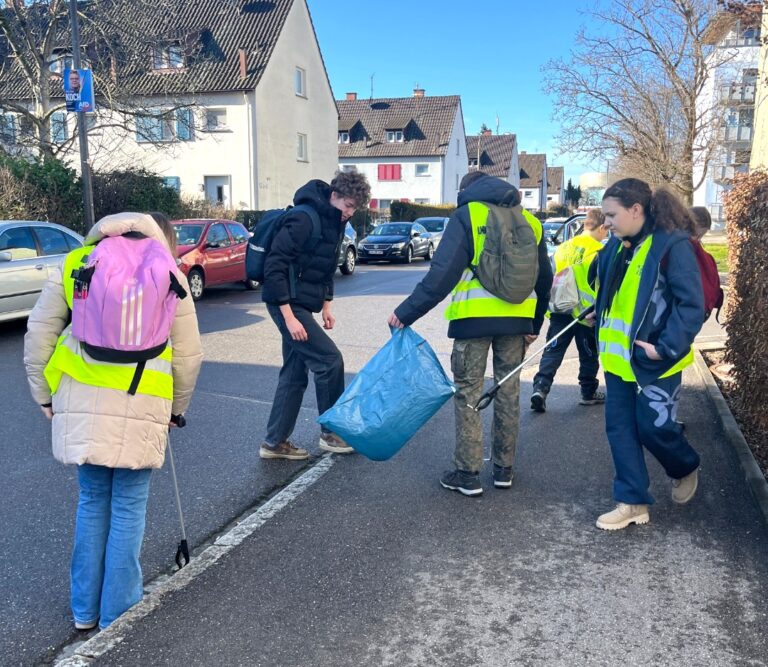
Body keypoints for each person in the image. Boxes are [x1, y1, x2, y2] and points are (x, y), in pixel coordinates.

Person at [23, 212, 203, 631]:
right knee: (127, 507)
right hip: (142, 405)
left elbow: (39, 332)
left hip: (82, 401)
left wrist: (43, 394)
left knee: (91, 502)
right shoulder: (170, 273)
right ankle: (118, 613)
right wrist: (177, 410)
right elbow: (189, 355)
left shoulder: (78, 263)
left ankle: (84, 610)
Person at [388, 171, 553, 496]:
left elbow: (442, 275)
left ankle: (468, 474)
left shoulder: (467, 216)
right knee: (507, 393)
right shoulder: (530, 222)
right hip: (517, 323)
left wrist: (406, 313)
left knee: (469, 395)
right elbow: (544, 278)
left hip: (472, 321)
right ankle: (504, 470)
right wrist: (534, 323)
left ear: (468, 191)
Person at [594, 178, 704, 530]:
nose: (605, 222)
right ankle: (632, 502)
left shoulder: (673, 246)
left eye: (611, 215)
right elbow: (614, 290)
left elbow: (691, 305)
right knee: (621, 431)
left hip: (656, 361)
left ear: (636, 210)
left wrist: (666, 348)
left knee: (655, 428)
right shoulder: (617, 246)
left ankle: (685, 465)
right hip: (617, 362)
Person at [260, 170, 371, 460]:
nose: (349, 213)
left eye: (354, 209)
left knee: (295, 373)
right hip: (286, 304)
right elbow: (274, 265)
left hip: (301, 304)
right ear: (333, 196)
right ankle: (331, 433)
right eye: (347, 205)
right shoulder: (304, 218)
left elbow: (325, 266)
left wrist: (327, 305)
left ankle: (274, 443)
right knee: (329, 360)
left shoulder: (333, 221)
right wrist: (289, 316)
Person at [530, 208, 608, 412]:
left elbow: (551, 276)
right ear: (601, 227)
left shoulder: (563, 247)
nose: (607, 233)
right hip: (585, 314)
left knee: (553, 351)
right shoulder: (599, 251)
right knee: (589, 355)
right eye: (606, 229)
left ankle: (540, 388)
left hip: (560, 310)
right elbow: (603, 284)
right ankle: (588, 391)